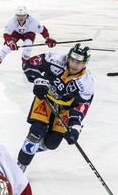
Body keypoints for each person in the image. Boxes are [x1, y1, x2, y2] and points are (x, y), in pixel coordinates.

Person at [16, 44, 94, 172]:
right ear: (68, 57)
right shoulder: (54, 58)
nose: (74, 65)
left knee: (52, 143)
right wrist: (38, 80)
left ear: (85, 63)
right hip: (45, 99)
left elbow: (80, 107)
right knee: (36, 132)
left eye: (78, 63)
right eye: (72, 60)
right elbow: (29, 64)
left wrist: (74, 128)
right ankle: (20, 166)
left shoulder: (87, 84)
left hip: (64, 109)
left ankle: (30, 148)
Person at [0, 6, 57, 71]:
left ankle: (25, 63)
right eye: (19, 16)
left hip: (28, 33)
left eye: (23, 16)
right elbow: (6, 34)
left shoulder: (32, 22)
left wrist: (48, 39)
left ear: (26, 15)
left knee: (28, 45)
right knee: (6, 48)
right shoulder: (12, 21)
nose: (21, 18)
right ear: (16, 15)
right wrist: (10, 42)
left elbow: (43, 30)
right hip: (16, 33)